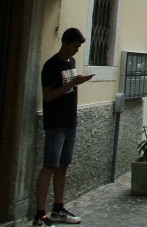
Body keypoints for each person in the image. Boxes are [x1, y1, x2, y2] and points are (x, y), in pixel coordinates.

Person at [33, 28, 93, 226]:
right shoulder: (51, 65)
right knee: (49, 165)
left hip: (70, 122)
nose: (77, 50)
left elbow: (69, 88)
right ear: (66, 43)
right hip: (56, 123)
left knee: (63, 166)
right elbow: (48, 96)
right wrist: (72, 84)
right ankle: (39, 214)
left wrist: (78, 82)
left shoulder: (71, 63)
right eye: (75, 46)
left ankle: (58, 208)